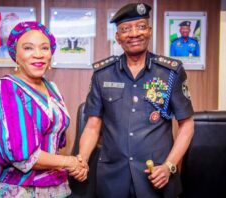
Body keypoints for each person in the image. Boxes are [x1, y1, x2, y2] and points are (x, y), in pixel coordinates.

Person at [78, 3, 194, 198]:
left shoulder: (170, 72)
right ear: (117, 37)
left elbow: (187, 125)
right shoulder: (102, 74)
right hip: (112, 179)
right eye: (126, 29)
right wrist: (81, 160)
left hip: (156, 176)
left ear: (149, 31)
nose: (134, 34)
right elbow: (92, 126)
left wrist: (169, 166)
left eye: (140, 26)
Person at [0, 21, 88, 197]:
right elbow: (21, 154)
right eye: (28, 48)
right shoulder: (6, 88)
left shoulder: (52, 87)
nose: (38, 55)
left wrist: (78, 164)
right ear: (16, 54)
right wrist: (70, 162)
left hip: (51, 183)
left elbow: (54, 140)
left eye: (44, 48)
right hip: (16, 187)